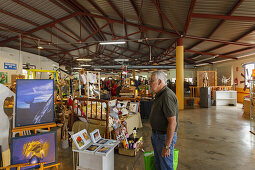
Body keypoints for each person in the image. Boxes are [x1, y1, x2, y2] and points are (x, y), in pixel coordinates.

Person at [149, 71, 179, 170]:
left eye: (152, 81)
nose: (149, 83)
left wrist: (167, 146)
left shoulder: (167, 96)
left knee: (165, 166)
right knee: (159, 163)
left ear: (159, 81)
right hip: (158, 135)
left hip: (164, 137)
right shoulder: (159, 94)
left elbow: (172, 122)